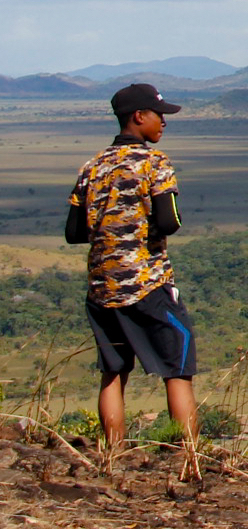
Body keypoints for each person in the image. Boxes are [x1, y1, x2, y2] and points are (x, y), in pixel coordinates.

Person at [65, 83, 199, 448]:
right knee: (178, 368)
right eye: (159, 116)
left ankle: (113, 456)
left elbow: (74, 232)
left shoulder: (92, 165)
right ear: (139, 117)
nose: (164, 124)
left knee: (113, 372)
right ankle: (189, 459)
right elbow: (170, 221)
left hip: (102, 287)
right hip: (148, 283)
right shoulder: (154, 163)